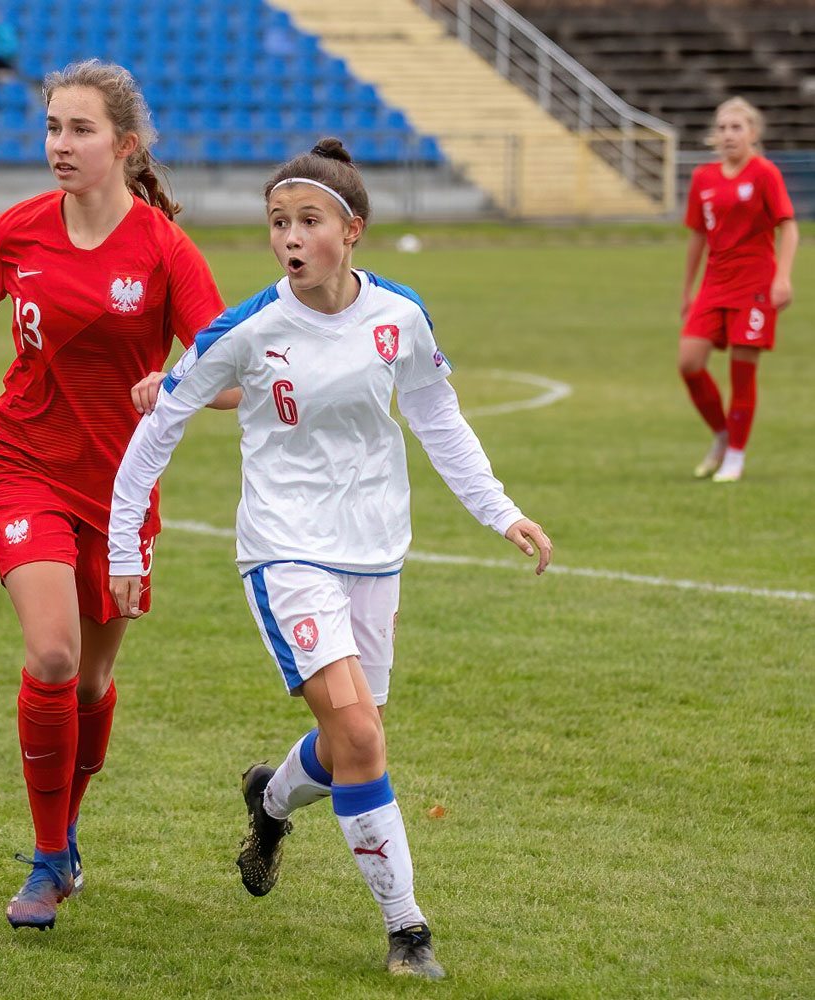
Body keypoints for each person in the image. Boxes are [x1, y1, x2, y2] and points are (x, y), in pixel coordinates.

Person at [106, 139, 553, 978]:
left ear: (353, 230)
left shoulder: (400, 315)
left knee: (357, 736)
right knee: (355, 731)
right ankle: (407, 930)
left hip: (375, 549)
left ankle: (270, 800)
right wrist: (124, 543)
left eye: (308, 221)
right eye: (278, 222)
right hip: (283, 548)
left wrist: (502, 511)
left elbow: (438, 419)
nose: (290, 237)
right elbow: (156, 428)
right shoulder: (245, 330)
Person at [0, 60, 227, 931]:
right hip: (23, 462)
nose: (59, 144)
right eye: (53, 127)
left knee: (90, 686)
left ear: (124, 146)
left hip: (122, 492)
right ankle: (48, 861)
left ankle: (67, 837)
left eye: (79, 130)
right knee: (51, 654)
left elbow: (229, 372)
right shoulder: (20, 229)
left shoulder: (165, 249)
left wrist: (178, 385)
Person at [678, 97, 798, 483]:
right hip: (714, 283)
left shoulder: (763, 173)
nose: (728, 135)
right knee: (689, 362)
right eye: (723, 128)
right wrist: (688, 289)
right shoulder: (703, 178)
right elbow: (699, 234)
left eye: (737, 127)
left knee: (741, 373)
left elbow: (788, 224)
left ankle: (735, 456)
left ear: (753, 133)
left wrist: (783, 277)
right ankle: (722, 434)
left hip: (755, 286)